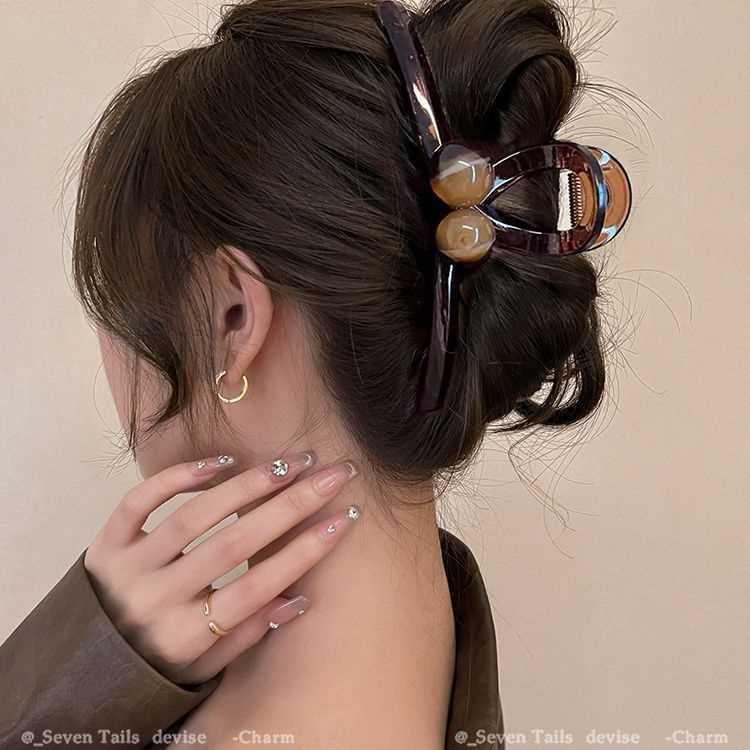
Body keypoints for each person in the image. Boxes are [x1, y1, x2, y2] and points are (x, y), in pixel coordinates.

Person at [0, 0, 633, 747]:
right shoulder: (436, 635)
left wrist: (56, 690)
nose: (110, 348)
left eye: (117, 301)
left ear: (234, 317)